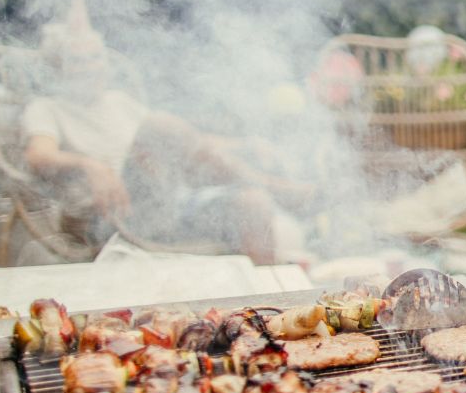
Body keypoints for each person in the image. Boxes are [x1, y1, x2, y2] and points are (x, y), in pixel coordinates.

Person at [21, 13, 308, 264]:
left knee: (252, 203)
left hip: (161, 207)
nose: (90, 66)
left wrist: (245, 144)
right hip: (110, 216)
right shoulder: (47, 108)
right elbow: (38, 156)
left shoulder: (119, 102)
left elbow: (190, 143)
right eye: (77, 60)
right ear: (57, 65)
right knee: (160, 126)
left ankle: (270, 311)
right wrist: (89, 165)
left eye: (96, 57)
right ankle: (275, 188)